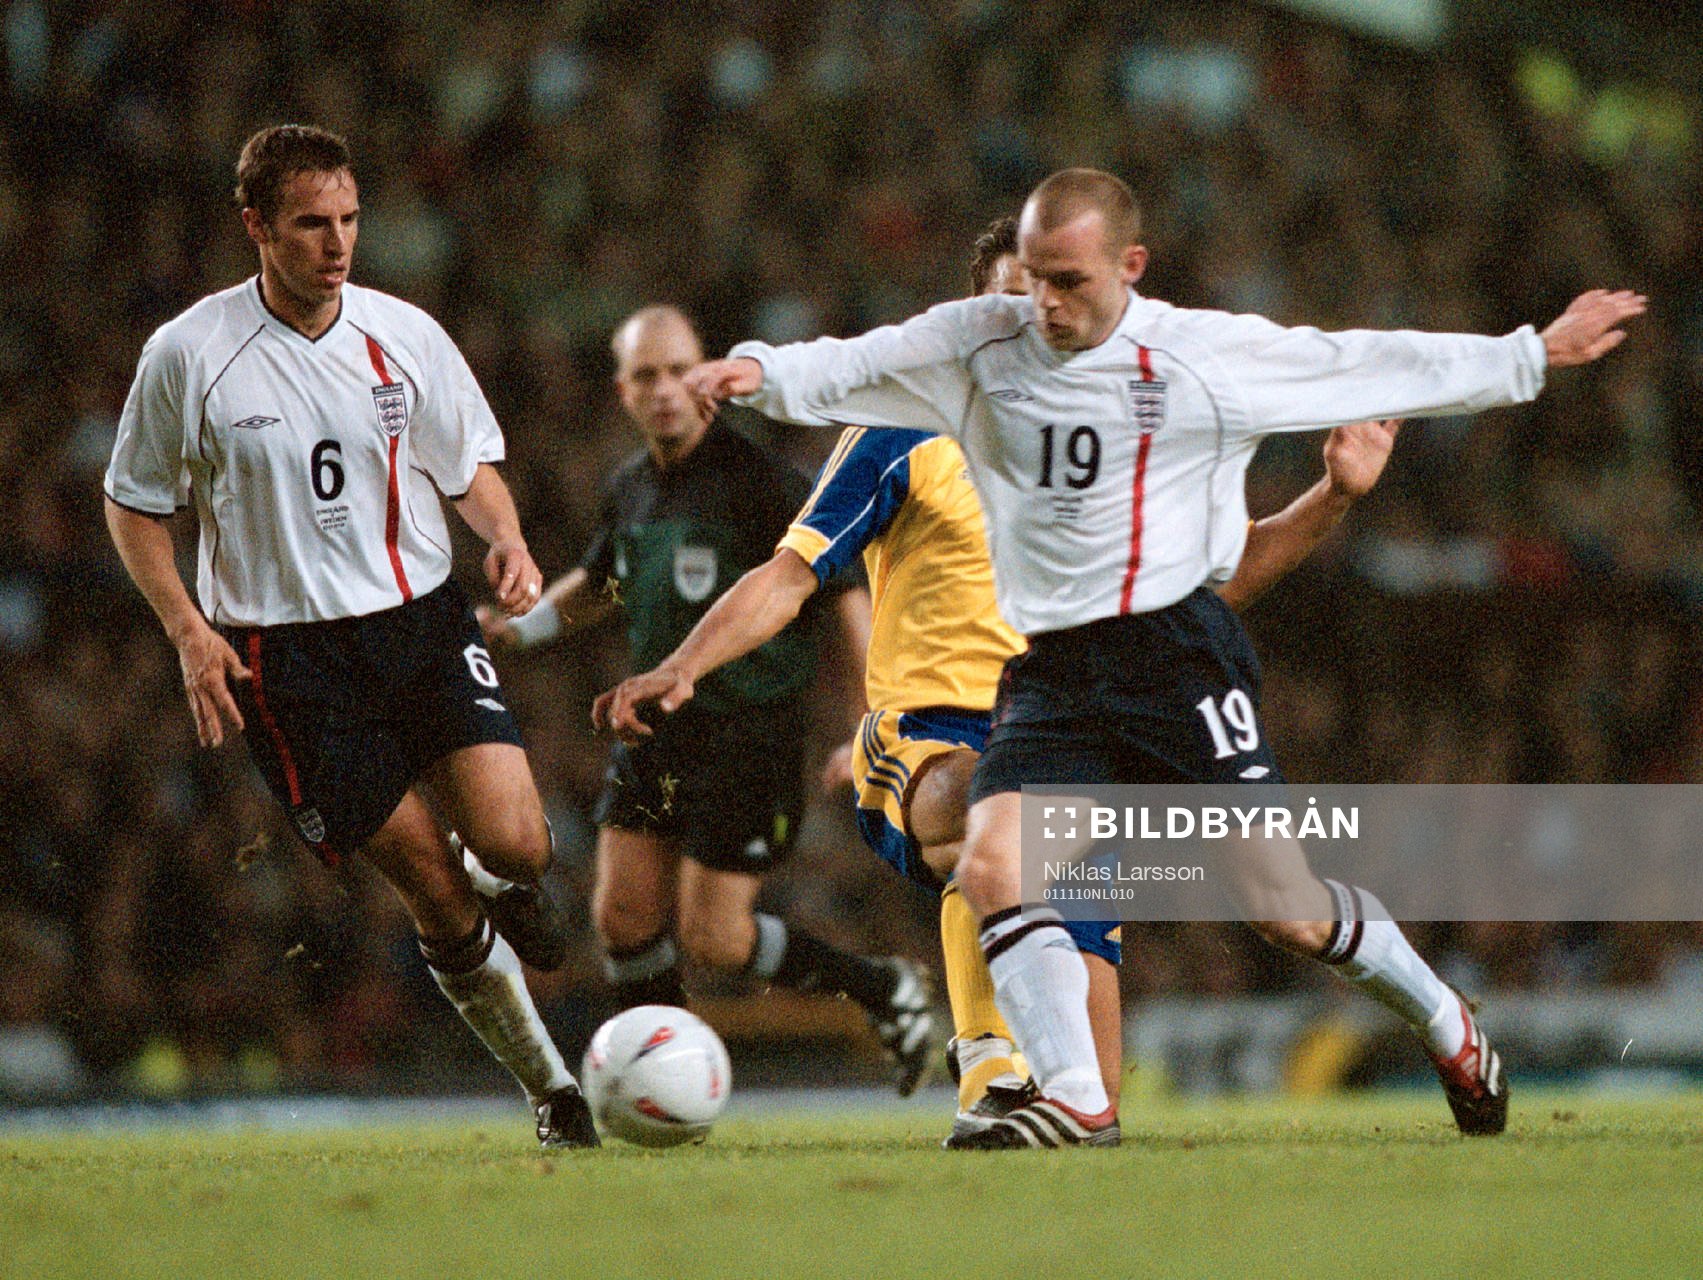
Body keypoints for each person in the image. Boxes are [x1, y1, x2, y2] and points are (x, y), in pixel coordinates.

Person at [683, 167, 1646, 1148]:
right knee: (991, 863)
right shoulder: (979, 341)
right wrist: (758, 371)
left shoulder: (1198, 355)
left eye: (1067, 281)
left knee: (1284, 910)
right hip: (1051, 669)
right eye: (1034, 282)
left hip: (1175, 654)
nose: (1045, 305)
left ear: (1128, 265)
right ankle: (1070, 1096)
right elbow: (853, 363)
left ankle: (1447, 1023)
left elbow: (1361, 360)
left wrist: (1530, 354)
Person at [595, 215, 1399, 1146]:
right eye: (1009, 300)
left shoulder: (1113, 449)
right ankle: (983, 1068)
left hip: (1069, 735)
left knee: (1095, 1108)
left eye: (1050, 296)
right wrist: (683, 664)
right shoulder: (905, 428)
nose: (1033, 317)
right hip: (928, 737)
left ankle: (1044, 1125)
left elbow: (1214, 591)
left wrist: (1333, 497)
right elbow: (790, 574)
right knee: (979, 815)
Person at [103, 125, 597, 1148]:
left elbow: (467, 466)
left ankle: (510, 879)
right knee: (431, 884)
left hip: (418, 620)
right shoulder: (189, 355)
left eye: (350, 220)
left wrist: (503, 536)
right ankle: (552, 1088)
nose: (337, 244)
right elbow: (133, 503)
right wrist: (186, 628)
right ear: (256, 227)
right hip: (286, 660)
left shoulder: (404, 333)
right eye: (311, 224)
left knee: (517, 840)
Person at [481, 305, 935, 1092]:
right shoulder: (628, 489)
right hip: (657, 728)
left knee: (715, 937)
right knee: (620, 918)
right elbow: (601, 583)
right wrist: (522, 630)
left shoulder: (763, 482)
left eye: (679, 370)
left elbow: (842, 591)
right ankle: (663, 1086)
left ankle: (881, 988)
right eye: (645, 376)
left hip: (749, 731)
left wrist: (873, 714)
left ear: (708, 378)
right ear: (622, 390)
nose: (665, 390)